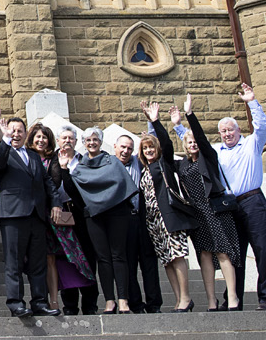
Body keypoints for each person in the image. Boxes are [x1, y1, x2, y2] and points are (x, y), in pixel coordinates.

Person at [169, 96, 241, 311]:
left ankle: (234, 297)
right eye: (189, 142)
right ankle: (211, 300)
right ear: (184, 145)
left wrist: (189, 115)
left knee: (223, 252)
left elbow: (199, 135)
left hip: (216, 211)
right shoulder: (181, 165)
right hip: (197, 214)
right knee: (205, 255)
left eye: (195, 142)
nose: (193, 144)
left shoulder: (208, 158)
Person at [0, 112, 62, 319]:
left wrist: (55, 203)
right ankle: (16, 303)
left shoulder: (33, 156)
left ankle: (39, 302)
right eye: (12, 131)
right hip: (13, 216)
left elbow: (47, 182)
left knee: (38, 263)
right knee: (14, 263)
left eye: (20, 131)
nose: (16, 134)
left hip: (36, 216)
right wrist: (3, 139)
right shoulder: (3, 152)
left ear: (25, 134)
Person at [65, 127, 138, 314]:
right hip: (94, 216)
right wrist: (65, 170)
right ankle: (109, 301)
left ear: (101, 141)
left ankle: (123, 300)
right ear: (84, 143)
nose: (92, 143)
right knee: (103, 259)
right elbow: (74, 193)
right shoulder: (80, 167)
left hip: (117, 213)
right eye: (88, 140)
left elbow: (123, 184)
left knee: (118, 256)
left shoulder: (113, 161)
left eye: (95, 139)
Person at [217, 83, 266, 310]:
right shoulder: (218, 152)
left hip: (253, 202)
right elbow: (195, 144)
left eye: (231, 129)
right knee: (235, 256)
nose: (227, 134)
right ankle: (233, 300)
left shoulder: (251, 143)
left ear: (239, 130)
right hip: (231, 207)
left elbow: (262, 127)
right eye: (223, 131)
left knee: (263, 251)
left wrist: (252, 101)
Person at [33, 124, 98, 316]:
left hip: (80, 214)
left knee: (86, 259)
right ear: (58, 141)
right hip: (58, 216)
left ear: (77, 142)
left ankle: (90, 305)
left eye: (71, 138)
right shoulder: (53, 160)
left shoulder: (84, 161)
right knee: (66, 262)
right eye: (64, 138)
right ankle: (70, 305)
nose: (67, 141)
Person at [138, 102, 196, 312]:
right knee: (167, 260)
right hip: (154, 222)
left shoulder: (165, 162)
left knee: (177, 255)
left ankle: (186, 297)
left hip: (169, 216)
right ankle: (179, 298)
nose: (149, 150)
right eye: (145, 148)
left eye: (151, 147)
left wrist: (155, 120)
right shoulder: (144, 169)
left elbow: (166, 143)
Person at [114, 132, 164, 313]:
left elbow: (155, 149)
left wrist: (152, 125)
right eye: (122, 147)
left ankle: (154, 303)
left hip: (142, 220)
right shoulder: (110, 165)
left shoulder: (138, 162)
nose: (126, 151)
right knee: (129, 265)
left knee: (149, 264)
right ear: (115, 148)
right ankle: (135, 303)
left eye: (129, 148)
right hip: (122, 223)